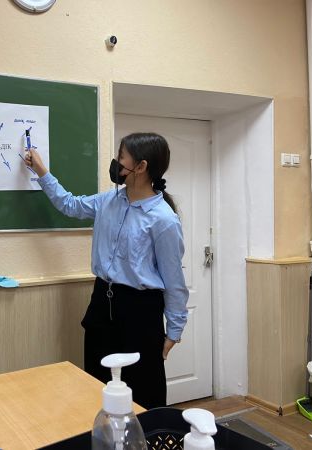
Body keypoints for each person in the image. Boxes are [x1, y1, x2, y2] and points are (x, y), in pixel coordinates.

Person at [26, 132, 188, 409]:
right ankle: (101, 431)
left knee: (141, 389)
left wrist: (174, 331)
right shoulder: (108, 200)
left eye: (121, 157)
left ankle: (142, 432)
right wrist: (42, 171)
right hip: (102, 301)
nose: (116, 162)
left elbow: (174, 280)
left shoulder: (164, 219)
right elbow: (70, 205)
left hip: (140, 310)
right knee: (97, 382)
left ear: (141, 166)